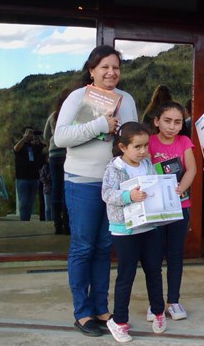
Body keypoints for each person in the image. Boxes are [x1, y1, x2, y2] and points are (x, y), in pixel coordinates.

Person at [54, 45, 138, 337]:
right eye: (104, 67)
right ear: (92, 70)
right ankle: (83, 312)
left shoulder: (126, 100)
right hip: (82, 180)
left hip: (115, 183)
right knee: (83, 247)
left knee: (104, 247)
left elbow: (134, 141)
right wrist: (99, 124)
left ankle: (101, 308)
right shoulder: (78, 97)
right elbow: (61, 136)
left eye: (115, 67)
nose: (111, 72)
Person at [102, 122, 167, 342]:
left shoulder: (147, 164)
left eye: (146, 146)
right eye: (137, 147)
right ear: (122, 147)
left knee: (154, 270)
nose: (143, 151)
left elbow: (155, 187)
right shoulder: (114, 168)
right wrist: (130, 196)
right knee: (126, 275)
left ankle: (158, 312)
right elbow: (107, 195)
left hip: (149, 226)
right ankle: (119, 321)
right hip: (124, 230)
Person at [146, 101, 197, 322]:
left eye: (177, 122)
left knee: (175, 256)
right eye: (167, 121)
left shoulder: (185, 141)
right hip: (155, 209)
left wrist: (180, 189)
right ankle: (155, 304)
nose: (172, 126)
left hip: (180, 207)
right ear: (157, 121)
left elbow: (191, 169)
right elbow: (145, 170)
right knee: (153, 257)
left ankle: (173, 301)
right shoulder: (148, 143)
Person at [44, 88, 71, 234]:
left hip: (54, 153)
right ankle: (67, 225)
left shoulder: (53, 116)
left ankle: (57, 224)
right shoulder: (73, 113)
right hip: (68, 153)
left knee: (56, 187)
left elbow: (46, 135)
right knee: (66, 188)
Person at [13, 126, 45, 221]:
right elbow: (16, 149)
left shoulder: (34, 146)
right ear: (24, 133)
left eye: (32, 133)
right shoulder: (20, 145)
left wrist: (39, 138)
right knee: (24, 202)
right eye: (29, 132)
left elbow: (45, 149)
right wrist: (24, 138)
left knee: (30, 203)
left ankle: (27, 220)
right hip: (22, 178)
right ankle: (24, 221)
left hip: (34, 178)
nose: (31, 135)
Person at [39, 153, 53, 221]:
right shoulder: (45, 167)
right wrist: (46, 181)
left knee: (53, 207)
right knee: (47, 208)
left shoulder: (55, 167)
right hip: (47, 189)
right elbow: (42, 177)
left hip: (54, 189)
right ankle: (47, 220)